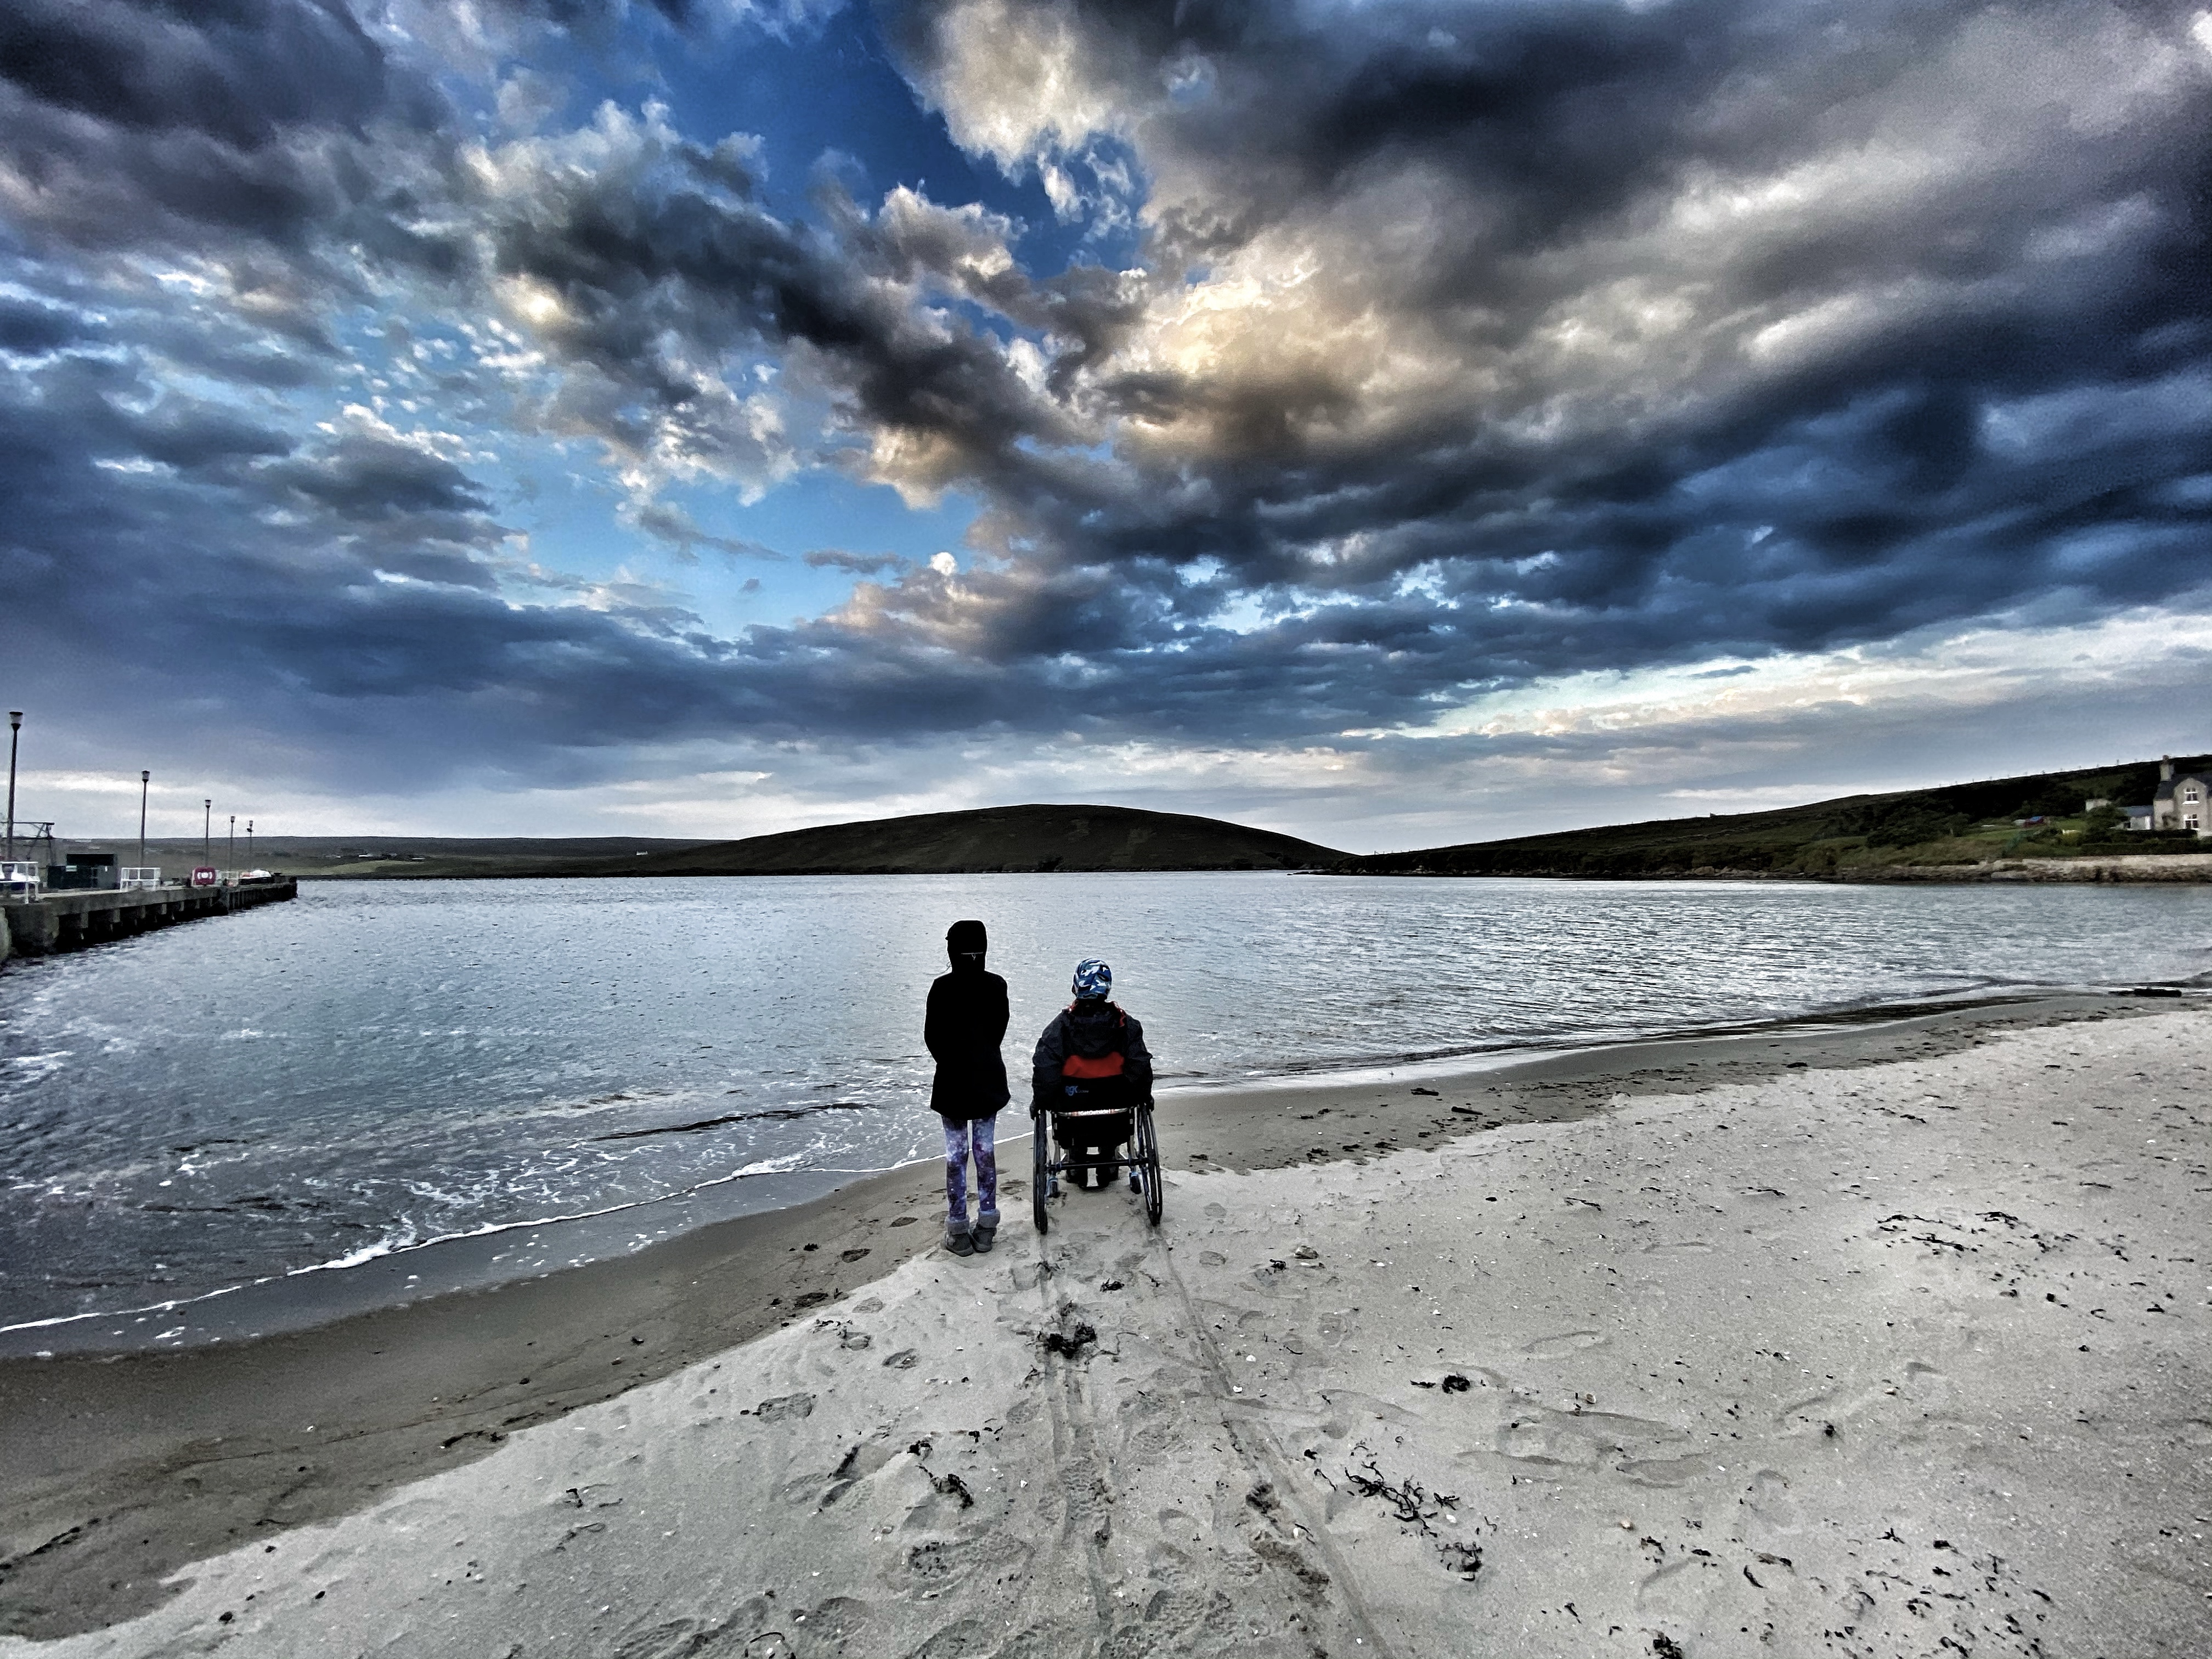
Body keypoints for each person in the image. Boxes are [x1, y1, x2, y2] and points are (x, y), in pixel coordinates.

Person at [924, 918, 1010, 1255]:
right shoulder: (996, 985)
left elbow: (932, 1038)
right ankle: (986, 1225)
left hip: (953, 1082)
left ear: (951, 950)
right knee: (984, 1150)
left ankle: (958, 1229)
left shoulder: (941, 987)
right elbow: (999, 1030)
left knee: (956, 1153)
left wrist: (951, 1061)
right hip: (988, 1078)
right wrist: (983, 1055)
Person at [1031, 957, 1153, 1192]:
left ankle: (1076, 1163)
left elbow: (1046, 1068)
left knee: (1068, 1110)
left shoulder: (1060, 1026)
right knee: (1118, 1104)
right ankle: (1109, 1163)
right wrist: (1145, 1095)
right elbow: (1139, 1067)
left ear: (1077, 985)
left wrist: (1040, 1101)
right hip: (1115, 1106)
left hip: (1071, 1107)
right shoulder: (1126, 1025)